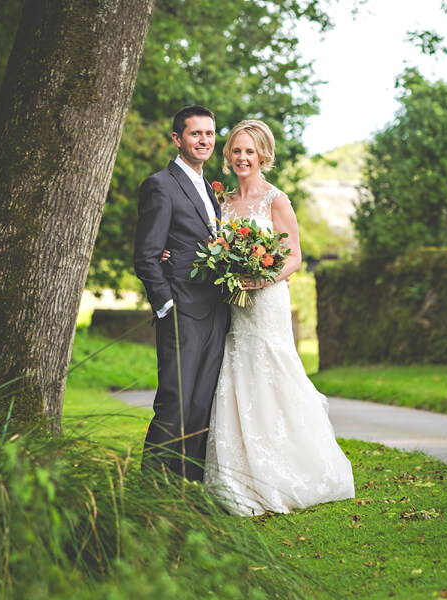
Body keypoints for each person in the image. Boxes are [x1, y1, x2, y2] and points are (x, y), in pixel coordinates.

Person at [164, 120, 355, 514]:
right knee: (238, 372)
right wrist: (171, 255)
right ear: (228, 155)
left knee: (273, 368)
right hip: (232, 304)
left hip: (266, 301)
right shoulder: (223, 203)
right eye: (236, 150)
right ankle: (238, 473)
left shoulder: (276, 200)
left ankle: (290, 467)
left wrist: (258, 278)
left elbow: (295, 257)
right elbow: (204, 244)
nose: (242, 158)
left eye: (249, 151)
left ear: (262, 156)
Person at [133, 106, 230, 482]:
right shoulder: (160, 184)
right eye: (195, 134)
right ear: (178, 138)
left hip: (215, 311)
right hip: (181, 311)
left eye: (209, 133)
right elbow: (146, 255)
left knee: (200, 404)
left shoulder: (208, 187)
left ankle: (187, 486)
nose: (204, 140)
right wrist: (166, 304)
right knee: (174, 400)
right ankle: (149, 486)